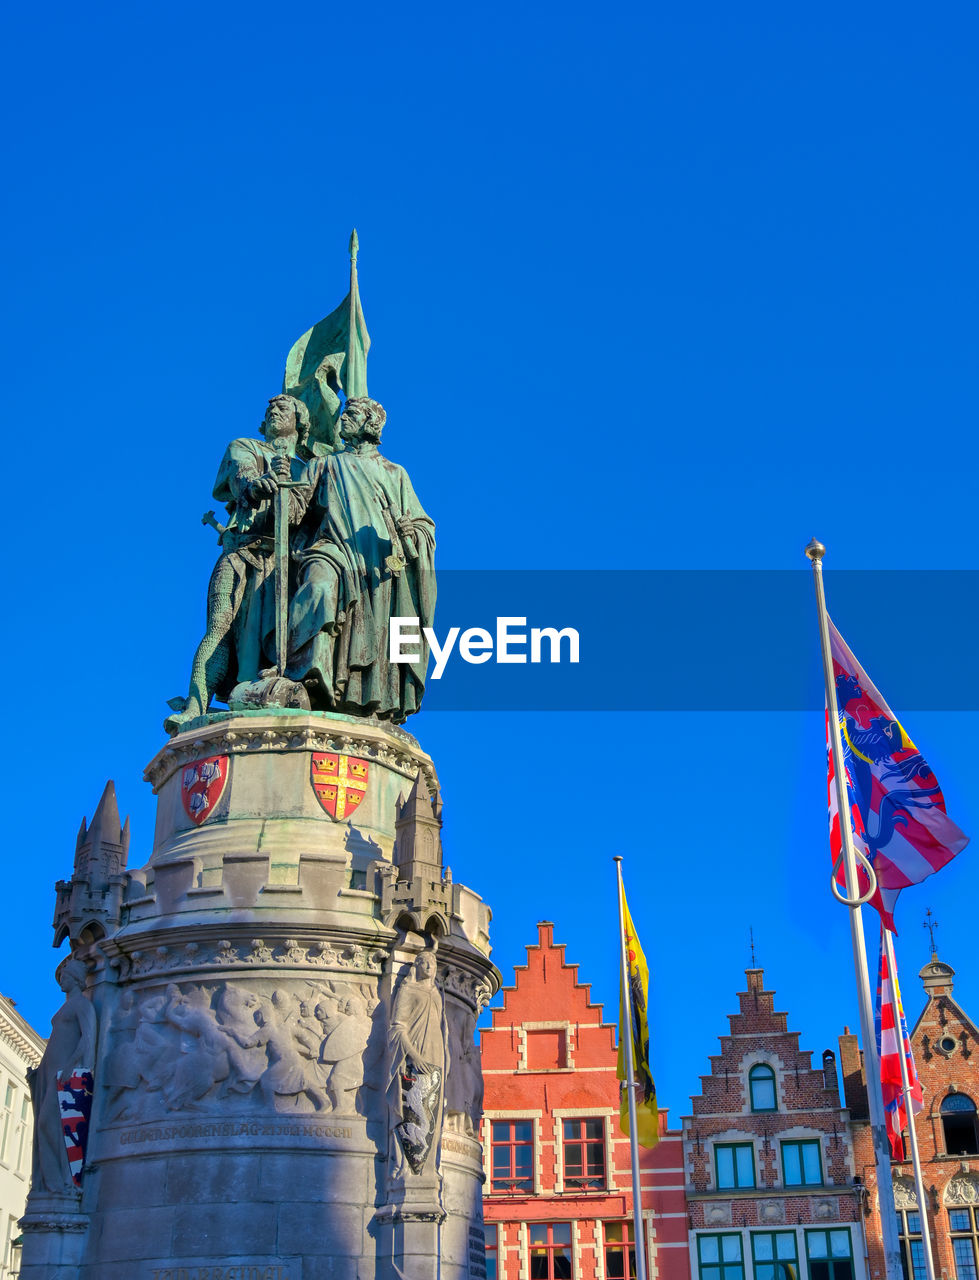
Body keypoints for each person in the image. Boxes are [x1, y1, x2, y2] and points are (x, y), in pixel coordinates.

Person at [165, 394, 313, 733]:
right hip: (241, 551)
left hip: (284, 563)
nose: (274, 411)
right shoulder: (245, 446)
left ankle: (269, 692)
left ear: (300, 422)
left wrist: (288, 496)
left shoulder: (308, 469)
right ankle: (194, 705)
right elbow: (242, 479)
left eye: (283, 408)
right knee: (220, 627)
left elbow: (297, 516)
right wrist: (258, 486)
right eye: (270, 408)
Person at [288, 397, 435, 722]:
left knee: (376, 633)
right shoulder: (323, 464)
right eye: (342, 415)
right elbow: (296, 510)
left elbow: (424, 525)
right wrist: (280, 489)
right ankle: (309, 672)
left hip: (378, 565)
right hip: (331, 549)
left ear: (371, 423)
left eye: (351, 414)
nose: (343, 420)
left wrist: (412, 533)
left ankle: (361, 697)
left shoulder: (395, 474)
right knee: (319, 587)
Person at [28, 957, 96, 1195]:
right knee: (45, 1125)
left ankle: (63, 1182)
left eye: (66, 976)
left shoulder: (82, 1005)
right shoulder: (67, 1006)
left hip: (65, 1076)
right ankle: (50, 1182)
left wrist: (73, 1067)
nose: (61, 981)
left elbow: (88, 1039)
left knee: (53, 1124)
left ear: (77, 979)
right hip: (50, 1073)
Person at [387, 949, 447, 1175]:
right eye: (423, 962)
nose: (429, 966)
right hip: (415, 1054)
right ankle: (406, 1164)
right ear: (417, 966)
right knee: (411, 1104)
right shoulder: (408, 989)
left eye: (432, 962)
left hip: (435, 1053)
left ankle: (429, 1162)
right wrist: (413, 1055)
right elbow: (397, 1027)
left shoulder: (437, 993)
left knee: (431, 1106)